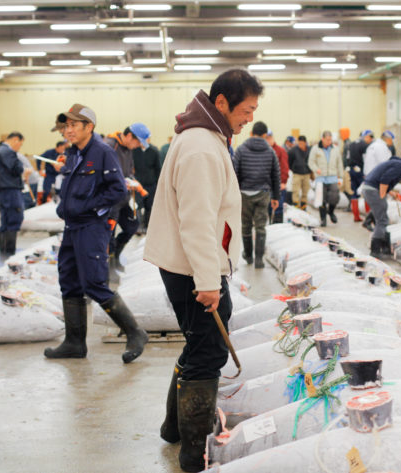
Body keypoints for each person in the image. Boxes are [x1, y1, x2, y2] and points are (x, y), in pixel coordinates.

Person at [144, 69, 261, 473]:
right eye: (246, 110)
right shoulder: (200, 148)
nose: (249, 118)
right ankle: (195, 453)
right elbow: (197, 222)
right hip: (193, 270)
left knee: (199, 343)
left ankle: (174, 427)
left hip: (192, 265)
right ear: (222, 103)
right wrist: (209, 283)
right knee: (208, 351)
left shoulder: (206, 137)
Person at [45, 103, 148, 363]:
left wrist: (85, 206)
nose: (67, 131)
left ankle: (135, 332)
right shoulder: (73, 153)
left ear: (89, 127)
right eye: (65, 126)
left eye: (73, 125)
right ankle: (74, 343)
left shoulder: (102, 152)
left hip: (92, 227)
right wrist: (65, 206)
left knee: (93, 283)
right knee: (68, 281)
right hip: (72, 226)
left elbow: (118, 191)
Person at [104, 123, 152, 273]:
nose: (137, 146)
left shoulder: (129, 149)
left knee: (132, 226)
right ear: (129, 136)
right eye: (137, 142)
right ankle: (109, 267)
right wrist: (122, 181)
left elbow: (128, 171)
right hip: (110, 199)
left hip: (123, 198)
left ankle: (116, 255)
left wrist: (132, 180)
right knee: (108, 234)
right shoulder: (109, 146)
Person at [233, 121, 280, 268]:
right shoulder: (270, 151)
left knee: (246, 226)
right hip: (263, 193)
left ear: (252, 133)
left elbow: (234, 172)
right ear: (265, 135)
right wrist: (276, 197)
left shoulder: (241, 149)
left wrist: (236, 191)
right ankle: (259, 259)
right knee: (260, 226)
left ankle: (248, 255)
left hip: (245, 194)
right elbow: (275, 175)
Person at [362, 154, 401, 259]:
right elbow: (384, 180)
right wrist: (382, 196)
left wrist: (392, 193)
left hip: (370, 188)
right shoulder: (400, 166)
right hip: (373, 190)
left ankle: (385, 247)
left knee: (382, 216)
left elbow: (386, 181)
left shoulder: (399, 165)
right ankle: (375, 250)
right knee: (382, 220)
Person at [0, 132, 30, 258]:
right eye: (20, 143)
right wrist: (23, 168)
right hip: (11, 190)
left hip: (4, 190)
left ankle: (4, 252)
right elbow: (17, 168)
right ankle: (9, 252)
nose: (20, 146)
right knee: (14, 219)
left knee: (6, 221)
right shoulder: (8, 152)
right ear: (15, 140)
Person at [308, 130, 344, 227]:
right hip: (320, 178)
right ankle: (323, 219)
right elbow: (311, 162)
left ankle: (331, 212)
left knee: (335, 197)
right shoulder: (315, 149)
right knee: (321, 200)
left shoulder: (335, 149)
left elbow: (339, 163)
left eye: (330, 140)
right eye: (327, 139)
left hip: (332, 177)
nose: (329, 141)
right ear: (322, 139)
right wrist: (316, 169)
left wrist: (341, 177)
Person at [132, 138, 162, 233]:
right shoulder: (134, 151)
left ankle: (146, 226)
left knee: (149, 206)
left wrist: (158, 184)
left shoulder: (154, 151)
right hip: (138, 184)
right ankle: (138, 226)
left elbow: (158, 169)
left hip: (151, 184)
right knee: (138, 206)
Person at [348, 130, 374, 222]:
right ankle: (368, 216)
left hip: (352, 170)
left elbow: (347, 157)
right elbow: (366, 159)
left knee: (354, 193)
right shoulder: (365, 146)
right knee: (366, 192)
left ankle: (356, 216)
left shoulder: (351, 144)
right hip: (361, 171)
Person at [266, 129, 288, 224]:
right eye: (266, 138)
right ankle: (269, 225)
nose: (268, 140)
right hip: (265, 184)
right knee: (267, 206)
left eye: (270, 138)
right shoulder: (262, 150)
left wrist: (283, 182)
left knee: (278, 206)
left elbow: (284, 167)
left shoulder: (280, 150)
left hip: (278, 184)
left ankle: (277, 226)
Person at [288, 135, 310, 210]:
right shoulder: (293, 150)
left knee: (305, 191)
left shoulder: (309, 150)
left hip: (307, 174)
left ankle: (303, 207)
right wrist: (293, 169)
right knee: (295, 191)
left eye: (302, 143)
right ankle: (295, 207)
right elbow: (289, 161)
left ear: (305, 143)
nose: (300, 145)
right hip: (297, 174)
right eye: (299, 143)